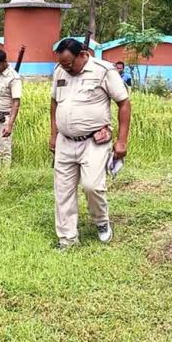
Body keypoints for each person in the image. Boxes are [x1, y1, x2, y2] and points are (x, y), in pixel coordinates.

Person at [50, 38, 131, 249]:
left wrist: (122, 141)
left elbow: (124, 103)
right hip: (65, 141)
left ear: (82, 54)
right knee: (63, 191)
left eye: (69, 64)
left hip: (94, 141)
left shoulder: (104, 71)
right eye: (62, 64)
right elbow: (54, 102)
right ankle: (67, 238)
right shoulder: (60, 71)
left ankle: (101, 221)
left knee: (92, 186)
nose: (66, 68)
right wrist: (53, 134)